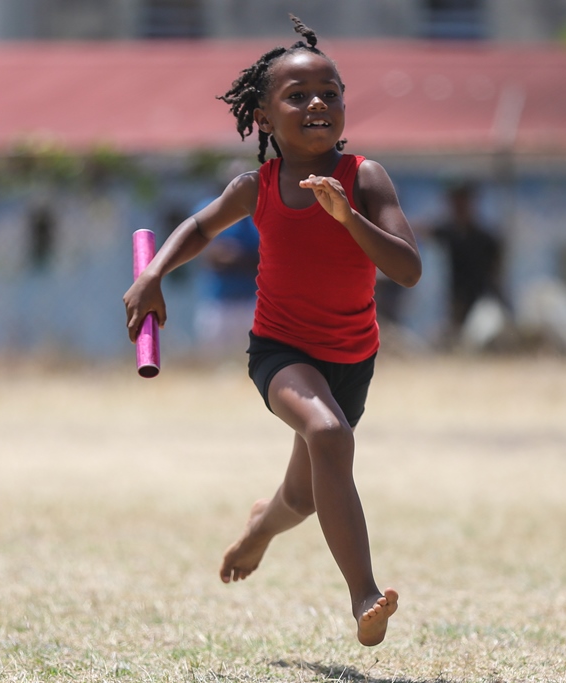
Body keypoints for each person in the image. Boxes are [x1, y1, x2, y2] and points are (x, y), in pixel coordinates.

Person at [123, 15, 422, 647]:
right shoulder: (254, 187)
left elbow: (408, 269)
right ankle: (365, 594)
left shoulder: (365, 178)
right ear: (263, 116)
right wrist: (153, 273)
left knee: (305, 494)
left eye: (331, 92)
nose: (318, 103)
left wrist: (349, 220)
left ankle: (261, 527)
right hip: (281, 353)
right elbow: (200, 228)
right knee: (328, 432)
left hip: (353, 359)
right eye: (297, 95)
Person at [426, 181, 505, 340]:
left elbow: (496, 275)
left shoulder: (486, 239)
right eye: (455, 200)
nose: (458, 205)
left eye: (462, 199)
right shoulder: (447, 232)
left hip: (482, 302)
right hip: (456, 304)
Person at [192, 192, 260, 357]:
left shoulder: (258, 213)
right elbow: (205, 253)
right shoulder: (209, 209)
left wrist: (237, 257)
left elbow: (266, 256)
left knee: (250, 359)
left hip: (250, 301)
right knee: (213, 359)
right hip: (218, 302)